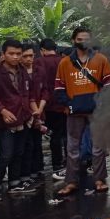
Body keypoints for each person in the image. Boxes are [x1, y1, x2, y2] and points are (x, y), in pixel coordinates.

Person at [55, 27, 110, 196]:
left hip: (96, 111)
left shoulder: (101, 60)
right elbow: (59, 88)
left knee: (98, 147)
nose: (83, 42)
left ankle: (99, 180)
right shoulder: (65, 63)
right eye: (80, 39)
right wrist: (68, 104)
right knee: (72, 148)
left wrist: (103, 103)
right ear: (74, 40)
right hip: (74, 112)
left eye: (86, 39)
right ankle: (71, 182)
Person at [0, 39, 38, 197]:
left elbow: (28, 94)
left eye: (18, 54)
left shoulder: (23, 72)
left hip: (23, 117)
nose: (15, 57)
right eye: (11, 54)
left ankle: (15, 183)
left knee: (19, 152)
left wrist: (33, 114)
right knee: (6, 154)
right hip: (5, 121)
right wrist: (2, 110)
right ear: (3, 54)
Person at [38, 38, 67, 180]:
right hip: (65, 104)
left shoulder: (39, 62)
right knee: (66, 135)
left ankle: (56, 165)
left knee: (52, 135)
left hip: (47, 105)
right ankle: (68, 163)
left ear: (42, 50)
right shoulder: (65, 61)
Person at [19, 43, 47, 184]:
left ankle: (37, 169)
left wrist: (40, 109)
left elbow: (45, 91)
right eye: (25, 56)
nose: (29, 59)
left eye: (31, 55)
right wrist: (33, 111)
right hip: (25, 114)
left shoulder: (39, 70)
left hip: (39, 111)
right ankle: (26, 173)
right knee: (26, 145)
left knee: (37, 143)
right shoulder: (18, 72)